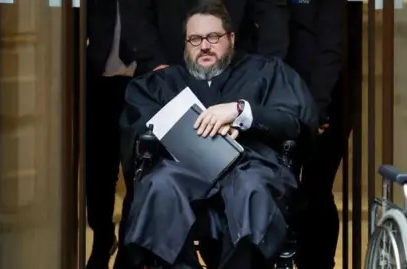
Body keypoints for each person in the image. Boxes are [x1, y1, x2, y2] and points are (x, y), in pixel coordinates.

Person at [119, 1, 318, 268]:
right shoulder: (163, 83)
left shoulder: (266, 72)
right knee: (159, 184)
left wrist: (242, 112)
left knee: (253, 189)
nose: (204, 46)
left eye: (213, 37)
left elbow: (293, 122)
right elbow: (139, 129)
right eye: (195, 39)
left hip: (251, 166)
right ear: (185, 43)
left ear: (231, 38)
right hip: (183, 171)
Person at [285, 1, 346, 269]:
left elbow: (332, 49)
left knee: (317, 190)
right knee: (283, 189)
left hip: (322, 102)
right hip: (279, 101)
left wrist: (317, 109)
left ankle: (317, 264)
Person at [85, 0, 136, 268]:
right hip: (97, 80)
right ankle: (103, 239)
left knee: (138, 169)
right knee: (98, 170)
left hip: (145, 81)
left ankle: (130, 248)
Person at [119, 0, 290, 75]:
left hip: (237, 70)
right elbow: (135, 14)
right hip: (167, 65)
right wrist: (155, 63)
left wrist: (266, 69)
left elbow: (272, 17)